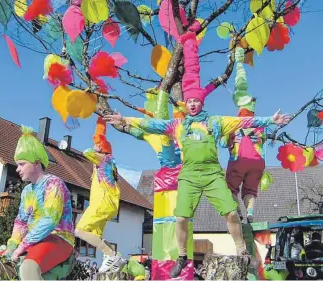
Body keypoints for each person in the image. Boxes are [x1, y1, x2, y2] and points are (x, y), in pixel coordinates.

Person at [104, 30, 291, 278]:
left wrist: (270, 120)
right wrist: (124, 119)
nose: (192, 104)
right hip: (189, 176)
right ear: (186, 104)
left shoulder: (215, 122)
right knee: (180, 217)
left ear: (201, 103)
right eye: (189, 101)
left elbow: (244, 123)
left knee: (231, 212)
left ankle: (241, 249)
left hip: (212, 174)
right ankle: (182, 256)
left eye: (195, 101)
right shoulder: (178, 126)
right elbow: (151, 125)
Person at [1, 126, 74, 280]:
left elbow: (50, 220)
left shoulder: (54, 184)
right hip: (35, 241)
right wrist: (12, 244)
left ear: (36, 163)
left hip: (59, 238)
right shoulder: (27, 191)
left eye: (22, 164)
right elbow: (20, 221)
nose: (17, 169)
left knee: (28, 268)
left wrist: (22, 245)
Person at [219, 47, 267, 223]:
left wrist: (238, 62)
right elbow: (264, 141)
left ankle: (237, 213)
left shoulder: (234, 122)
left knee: (231, 187)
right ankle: (250, 211)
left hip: (239, 160)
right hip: (258, 162)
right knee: (250, 190)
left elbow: (225, 142)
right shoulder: (260, 124)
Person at [75, 117, 127, 273]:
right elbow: (100, 134)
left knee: (80, 230)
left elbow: (87, 152)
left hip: (101, 204)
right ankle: (117, 258)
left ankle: (111, 255)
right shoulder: (110, 163)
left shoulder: (102, 159)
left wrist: (97, 147)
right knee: (95, 236)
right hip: (108, 206)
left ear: (100, 148)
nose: (93, 145)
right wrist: (101, 119)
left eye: (96, 144)